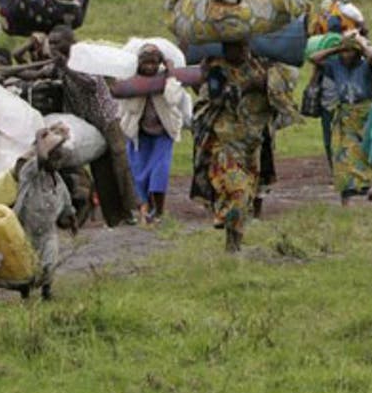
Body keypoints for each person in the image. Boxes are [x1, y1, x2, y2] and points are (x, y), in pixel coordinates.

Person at [190, 40, 278, 252]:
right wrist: (234, 88)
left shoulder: (262, 69)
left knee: (245, 195)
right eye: (233, 47)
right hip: (225, 145)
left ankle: (233, 241)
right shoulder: (217, 70)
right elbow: (211, 99)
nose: (239, 51)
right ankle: (232, 244)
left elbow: (280, 97)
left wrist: (261, 83)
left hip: (252, 145)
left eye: (243, 47)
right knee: (237, 190)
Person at [47, 26, 139, 226]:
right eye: (50, 42)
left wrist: (66, 67)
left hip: (107, 119)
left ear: (70, 42)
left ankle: (133, 209)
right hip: (87, 122)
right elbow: (37, 71)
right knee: (100, 168)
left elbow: (90, 84)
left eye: (57, 42)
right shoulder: (60, 64)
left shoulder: (83, 58)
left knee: (120, 162)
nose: (52, 46)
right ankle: (114, 217)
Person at [309, 33, 372, 206]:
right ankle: (347, 192)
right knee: (344, 153)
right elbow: (314, 58)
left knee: (366, 150)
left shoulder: (366, 66)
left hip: (364, 114)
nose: (346, 55)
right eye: (344, 52)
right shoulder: (335, 66)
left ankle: (370, 186)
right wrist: (337, 48)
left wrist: (360, 46)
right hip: (346, 114)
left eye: (350, 52)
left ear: (358, 54)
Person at [119, 45, 186, 223]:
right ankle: (146, 208)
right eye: (145, 62)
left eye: (154, 63)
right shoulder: (131, 80)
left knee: (159, 171)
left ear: (160, 63)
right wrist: (139, 85)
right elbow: (130, 108)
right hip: (139, 133)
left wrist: (170, 72)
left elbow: (173, 98)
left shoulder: (166, 77)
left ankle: (160, 210)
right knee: (139, 173)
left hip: (163, 131)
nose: (149, 67)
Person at [13, 125, 77, 300]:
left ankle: (46, 292)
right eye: (54, 159)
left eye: (60, 160)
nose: (57, 164)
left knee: (49, 262)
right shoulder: (30, 172)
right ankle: (25, 294)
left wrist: (71, 219)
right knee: (26, 264)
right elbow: (41, 157)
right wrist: (40, 139)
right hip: (26, 227)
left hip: (48, 231)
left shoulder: (57, 180)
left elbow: (66, 203)